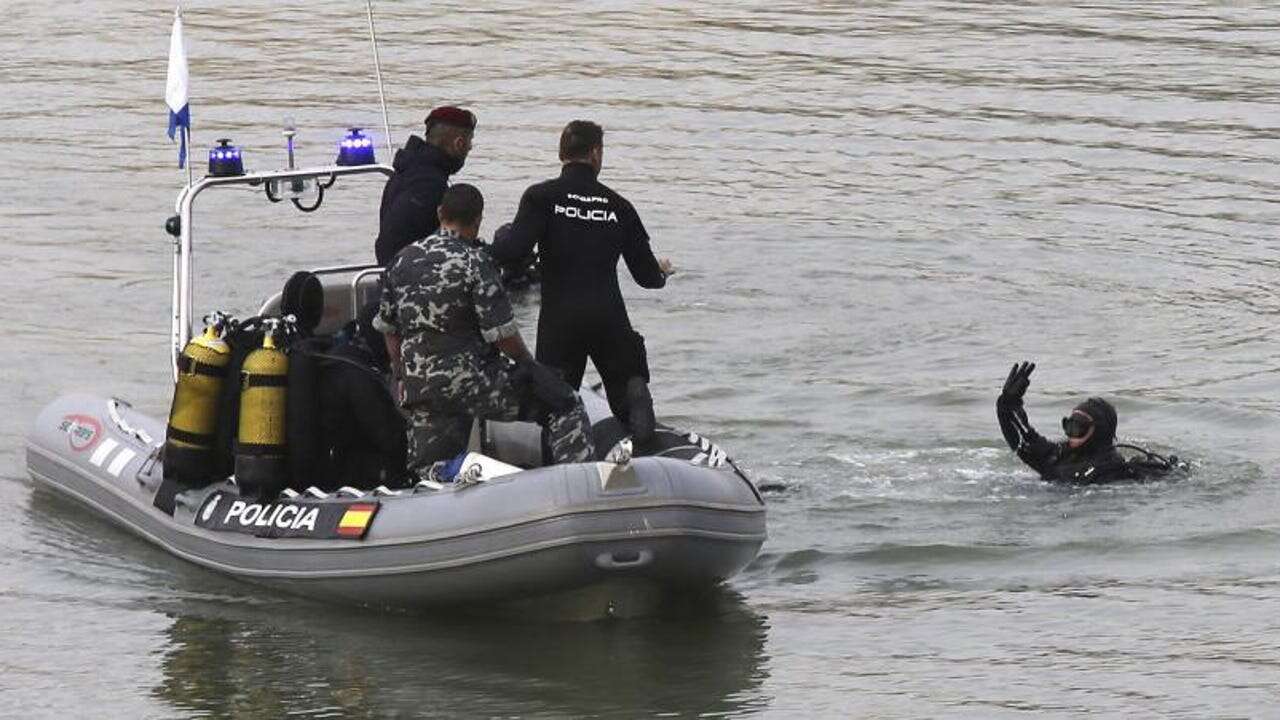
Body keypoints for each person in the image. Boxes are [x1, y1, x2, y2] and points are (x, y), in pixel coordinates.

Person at [374, 183, 595, 478]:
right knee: (565, 405)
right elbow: (502, 335)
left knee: (427, 468)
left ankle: (449, 483)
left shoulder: (401, 260)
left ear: (440, 212)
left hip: (421, 385)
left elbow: (390, 332)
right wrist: (531, 367)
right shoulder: (476, 261)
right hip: (473, 381)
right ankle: (578, 485)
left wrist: (403, 375)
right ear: (478, 220)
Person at [489, 119, 672, 445]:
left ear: (562, 153)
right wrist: (663, 273)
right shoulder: (619, 206)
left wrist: (483, 249)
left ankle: (560, 471)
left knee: (557, 404)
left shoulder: (540, 197)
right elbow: (646, 277)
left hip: (561, 319)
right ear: (596, 154)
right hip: (609, 316)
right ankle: (639, 426)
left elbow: (512, 250)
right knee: (626, 382)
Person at [996, 361, 1180, 483]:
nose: (1071, 433)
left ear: (1098, 432)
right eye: (1068, 425)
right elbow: (1022, 439)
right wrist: (1008, 402)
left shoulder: (1114, 472)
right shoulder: (1057, 456)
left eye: (1078, 427)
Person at [313, 305, 408, 490]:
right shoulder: (360, 375)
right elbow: (389, 437)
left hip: (327, 459)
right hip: (345, 474)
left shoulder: (340, 356)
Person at [374, 105, 476, 266]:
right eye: (470, 141)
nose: (470, 147)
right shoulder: (430, 185)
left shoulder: (407, 171)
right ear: (459, 143)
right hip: (414, 276)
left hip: (394, 270)